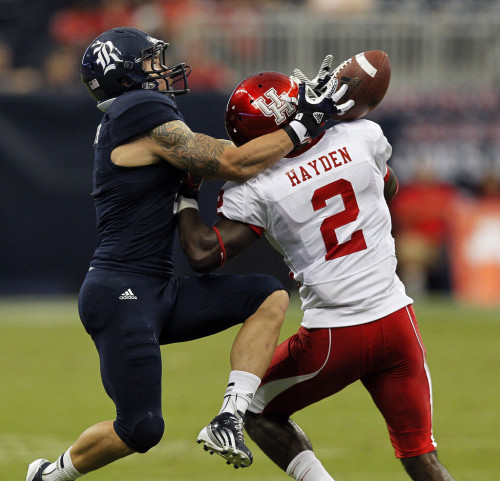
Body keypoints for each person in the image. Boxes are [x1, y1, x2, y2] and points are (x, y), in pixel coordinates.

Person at [25, 27, 350, 481]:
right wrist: (302, 124)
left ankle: (230, 417)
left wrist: (287, 113)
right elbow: (235, 161)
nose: (161, 70)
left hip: (157, 288)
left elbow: (212, 163)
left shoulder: (134, 117)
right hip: (121, 290)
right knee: (140, 429)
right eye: (150, 63)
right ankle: (49, 475)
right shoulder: (138, 108)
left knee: (267, 295)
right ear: (124, 77)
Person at [176, 67, 455, 480]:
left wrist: (184, 192)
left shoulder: (256, 185)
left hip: (335, 335)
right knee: (421, 459)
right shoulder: (362, 136)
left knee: (254, 413)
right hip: (399, 322)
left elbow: (203, 254)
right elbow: (388, 188)